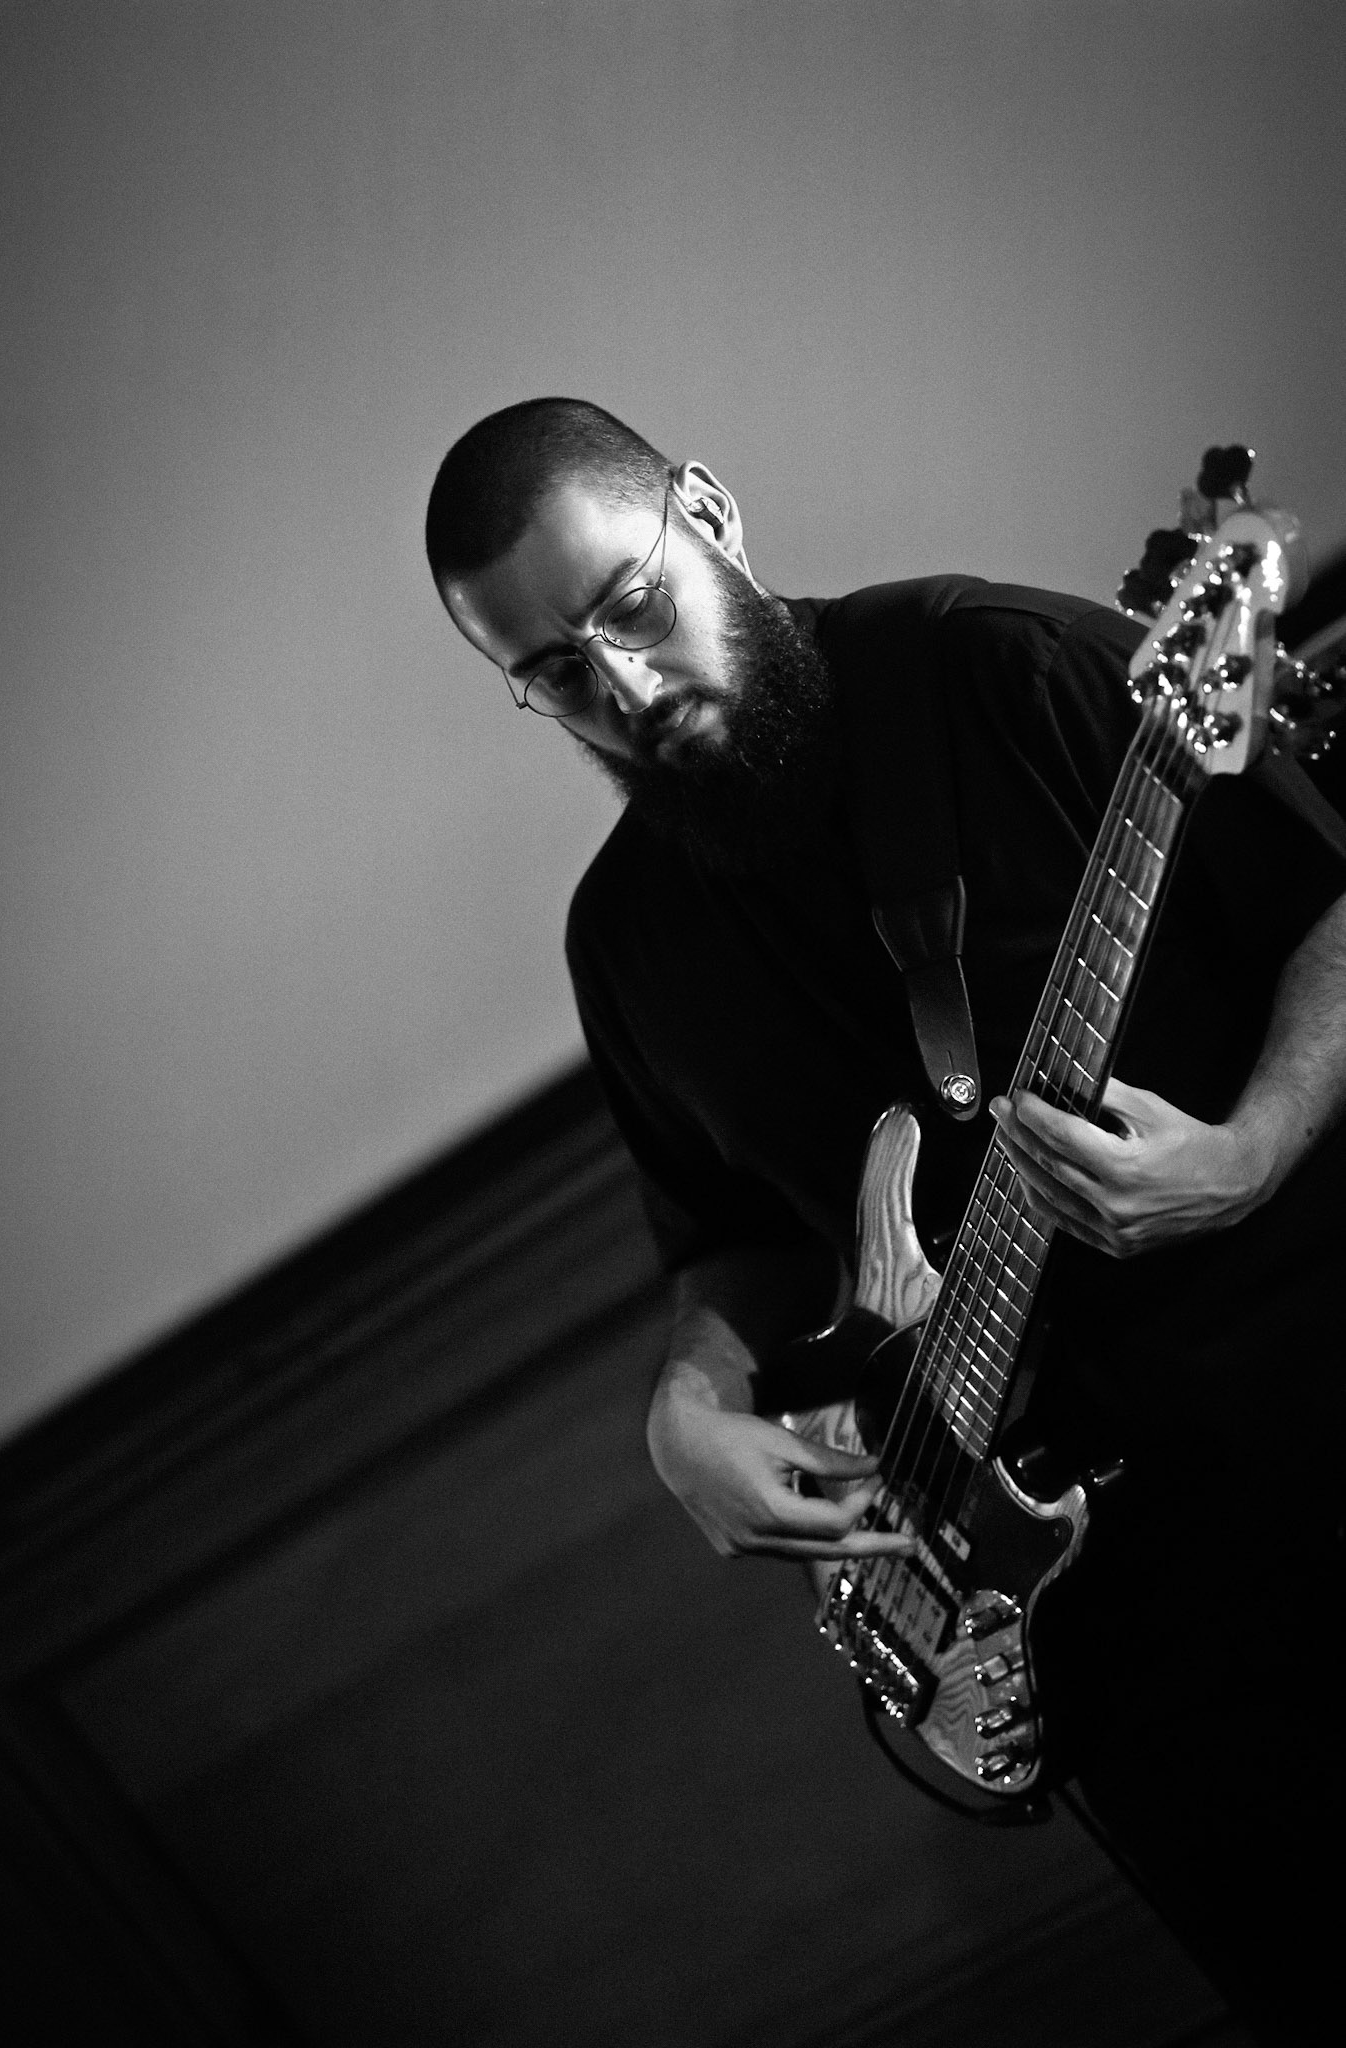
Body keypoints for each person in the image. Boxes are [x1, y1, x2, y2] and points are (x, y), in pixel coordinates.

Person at [426, 397, 1345, 2044]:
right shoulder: (626, 941)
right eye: (555, 671)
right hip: (1107, 1639)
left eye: (627, 608)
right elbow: (725, 1232)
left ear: (705, 512)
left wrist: (1257, 1143)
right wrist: (686, 1402)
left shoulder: (998, 666)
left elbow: (1334, 888)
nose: (621, 689)